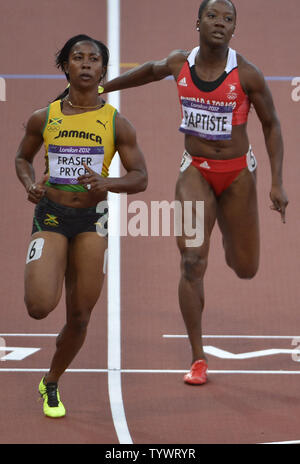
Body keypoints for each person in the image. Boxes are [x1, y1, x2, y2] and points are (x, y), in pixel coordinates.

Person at [102, 0, 288, 385]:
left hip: (237, 175)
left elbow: (272, 125)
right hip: (196, 172)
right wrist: (106, 86)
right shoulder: (179, 64)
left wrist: (276, 181)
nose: (220, 23)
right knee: (191, 262)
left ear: (234, 29)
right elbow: (148, 72)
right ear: (197, 22)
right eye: (212, 16)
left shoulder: (248, 75)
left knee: (245, 268)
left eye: (228, 19)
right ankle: (198, 358)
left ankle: (226, 229)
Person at [15, 34, 148, 417]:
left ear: (103, 70)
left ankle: (51, 381)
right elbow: (22, 158)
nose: (87, 64)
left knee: (80, 315)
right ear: (66, 66)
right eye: (78, 57)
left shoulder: (116, 123)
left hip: (93, 221)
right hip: (53, 216)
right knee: (39, 306)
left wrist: (109, 183)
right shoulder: (45, 117)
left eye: (94, 59)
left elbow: (140, 177)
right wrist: (30, 184)